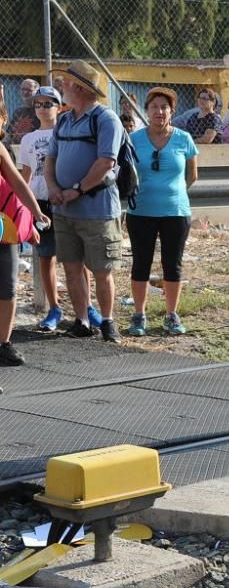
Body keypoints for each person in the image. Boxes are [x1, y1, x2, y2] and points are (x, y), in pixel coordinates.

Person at [44, 59, 125, 343]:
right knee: (71, 265)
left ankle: (108, 321)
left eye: (65, 81)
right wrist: (53, 187)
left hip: (97, 209)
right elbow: (50, 158)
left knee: (102, 270)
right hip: (64, 209)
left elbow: (106, 162)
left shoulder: (106, 119)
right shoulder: (64, 120)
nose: (61, 85)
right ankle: (81, 320)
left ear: (78, 86)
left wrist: (76, 190)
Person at [125, 87, 198, 337]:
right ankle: (139, 315)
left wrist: (174, 192)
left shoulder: (184, 139)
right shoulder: (134, 139)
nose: (159, 111)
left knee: (172, 264)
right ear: (147, 111)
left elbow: (192, 174)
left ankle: (171, 315)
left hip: (175, 212)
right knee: (140, 263)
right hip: (141, 211)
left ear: (172, 111)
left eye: (164, 107)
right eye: (154, 107)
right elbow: (126, 173)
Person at [0, 100, 51, 365]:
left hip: (3, 227)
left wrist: (34, 215)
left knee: (8, 287)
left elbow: (18, 185)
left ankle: (4, 344)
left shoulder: (0, 149)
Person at [17, 86, 64, 331]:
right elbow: (25, 174)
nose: (43, 109)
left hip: (63, 199)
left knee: (76, 258)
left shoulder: (65, 133)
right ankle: (54, 307)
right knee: (45, 258)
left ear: (59, 107)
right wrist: (22, 205)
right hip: (40, 203)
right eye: (38, 104)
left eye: (48, 104)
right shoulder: (28, 139)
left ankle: (86, 308)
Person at [8, 79, 40, 144]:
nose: (25, 92)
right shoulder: (18, 111)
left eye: (29, 90)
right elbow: (10, 132)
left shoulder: (40, 110)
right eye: (23, 89)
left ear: (37, 92)